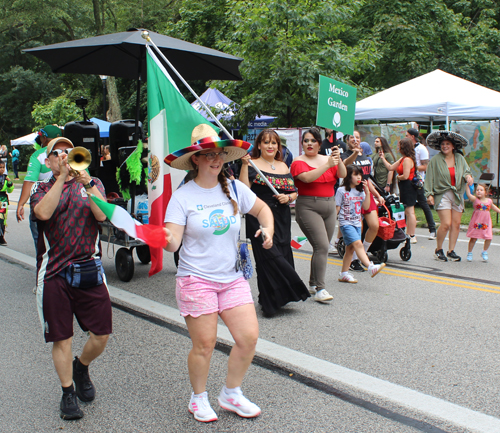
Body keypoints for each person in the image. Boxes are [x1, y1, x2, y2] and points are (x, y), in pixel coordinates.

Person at [163, 124, 274, 423]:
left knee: (248, 338)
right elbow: (172, 241)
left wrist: (269, 229)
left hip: (231, 277)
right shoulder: (183, 197)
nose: (215, 159)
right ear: (196, 159)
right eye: (207, 154)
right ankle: (198, 398)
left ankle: (231, 393)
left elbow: (263, 210)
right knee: (205, 344)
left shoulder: (235, 187)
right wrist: (162, 236)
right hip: (195, 279)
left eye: (219, 154)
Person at [30, 137, 110, 421]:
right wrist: (62, 179)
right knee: (62, 338)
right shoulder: (41, 189)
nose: (64, 156)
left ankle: (81, 366)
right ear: (49, 161)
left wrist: (86, 183)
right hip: (54, 273)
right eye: (57, 153)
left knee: (101, 335)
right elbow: (43, 213)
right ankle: (67, 393)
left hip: (89, 268)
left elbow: (102, 215)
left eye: (69, 151)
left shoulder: (92, 183)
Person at [239, 129, 309, 316]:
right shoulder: (252, 164)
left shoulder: (284, 166)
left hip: (282, 216)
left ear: (278, 146)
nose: (270, 146)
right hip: (260, 216)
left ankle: (281, 297)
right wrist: (245, 166)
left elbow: (294, 191)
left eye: (274, 143)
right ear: (259, 145)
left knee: (283, 253)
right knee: (268, 257)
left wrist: (289, 198)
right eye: (266, 142)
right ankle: (269, 302)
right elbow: (245, 191)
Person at [290, 128, 346, 302]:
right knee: (322, 246)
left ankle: (313, 284)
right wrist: (328, 164)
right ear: (302, 144)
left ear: (319, 144)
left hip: (330, 205)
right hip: (308, 206)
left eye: (313, 140)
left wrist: (338, 160)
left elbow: (342, 175)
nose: (309, 144)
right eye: (306, 141)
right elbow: (306, 178)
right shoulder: (298, 161)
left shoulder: (328, 159)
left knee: (320, 247)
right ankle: (321, 289)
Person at [424, 131, 474, 262]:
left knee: (456, 224)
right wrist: (429, 194)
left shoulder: (460, 158)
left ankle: (451, 250)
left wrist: (468, 177)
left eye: (447, 144)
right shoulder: (435, 160)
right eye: (443, 144)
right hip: (442, 193)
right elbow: (429, 177)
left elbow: (466, 172)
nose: (445, 146)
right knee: (446, 224)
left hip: (457, 194)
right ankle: (438, 249)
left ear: (453, 146)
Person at [341, 131, 385, 271]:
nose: (355, 139)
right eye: (352, 137)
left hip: (365, 194)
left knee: (374, 225)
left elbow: (367, 180)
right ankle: (354, 259)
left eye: (357, 137)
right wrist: (354, 153)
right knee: (357, 230)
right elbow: (343, 166)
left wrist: (377, 195)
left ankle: (362, 254)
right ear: (347, 140)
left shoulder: (365, 156)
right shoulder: (346, 155)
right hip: (351, 196)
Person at [335, 165, 386, 283]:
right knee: (358, 243)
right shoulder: (341, 190)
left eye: (360, 175)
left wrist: (368, 193)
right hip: (346, 223)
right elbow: (337, 208)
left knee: (350, 249)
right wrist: (330, 219)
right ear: (348, 176)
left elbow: (366, 207)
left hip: (357, 223)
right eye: (355, 174)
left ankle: (344, 273)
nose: (359, 177)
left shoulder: (361, 191)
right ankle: (370, 266)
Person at [16, 125, 62, 251]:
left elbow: (30, 181)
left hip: (44, 202)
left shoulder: (38, 156)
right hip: (69, 202)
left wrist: (21, 204)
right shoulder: (75, 153)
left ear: (45, 138)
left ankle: (44, 266)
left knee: (41, 240)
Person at [377, 138, 418, 243]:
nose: (398, 148)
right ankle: (408, 233)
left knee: (410, 211)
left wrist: (398, 177)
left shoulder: (408, 160)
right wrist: (382, 158)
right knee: (406, 210)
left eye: (399, 146)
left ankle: (412, 235)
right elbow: (391, 167)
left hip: (408, 187)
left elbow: (405, 176)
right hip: (404, 187)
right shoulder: (402, 159)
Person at [406, 128, 437, 239]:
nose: (406, 137)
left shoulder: (421, 149)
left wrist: (412, 168)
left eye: (407, 135)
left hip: (418, 181)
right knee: (408, 206)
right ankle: (406, 231)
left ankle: (432, 230)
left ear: (412, 137)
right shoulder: (408, 148)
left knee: (423, 204)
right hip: (407, 180)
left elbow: (425, 166)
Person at [464, 184, 499, 262]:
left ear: (486, 192)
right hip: (477, 222)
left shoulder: (489, 201)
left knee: (489, 237)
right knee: (473, 238)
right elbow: (469, 194)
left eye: (481, 190)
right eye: (477, 190)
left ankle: (484, 251)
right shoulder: (475, 200)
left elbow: (493, 207)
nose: (479, 191)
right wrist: (466, 185)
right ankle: (469, 253)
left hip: (486, 222)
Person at [0, 160, 14, 245]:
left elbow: (10, 190)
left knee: (2, 219)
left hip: (3, 200)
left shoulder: (5, 178)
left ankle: (1, 237)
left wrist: (9, 183)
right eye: (0, 167)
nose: (1, 169)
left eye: (3, 168)